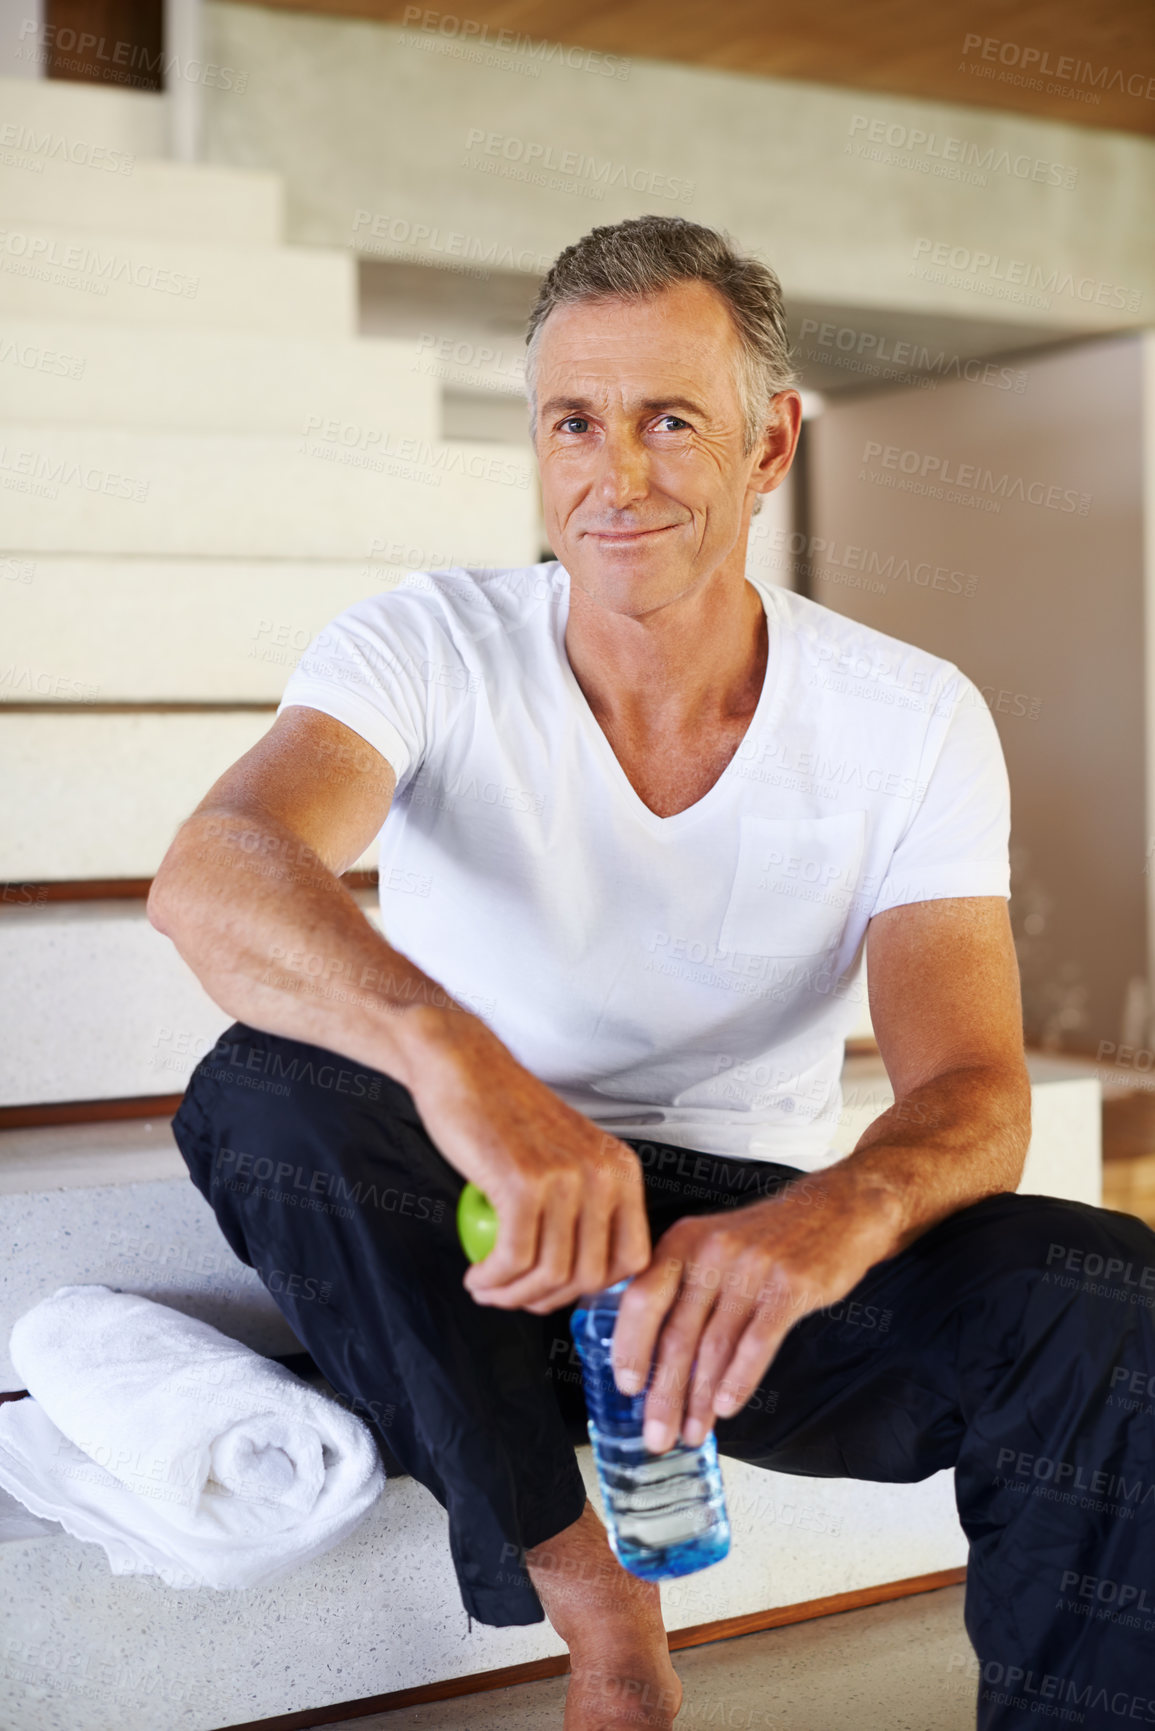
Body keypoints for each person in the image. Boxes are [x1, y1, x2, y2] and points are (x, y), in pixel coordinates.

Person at [151, 215, 1155, 1731]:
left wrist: (832, 1220)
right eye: (574, 422)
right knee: (265, 1095)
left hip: (726, 1273)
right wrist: (472, 1074)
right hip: (477, 1227)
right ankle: (602, 1619)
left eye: (671, 420)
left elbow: (971, 1090)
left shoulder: (912, 716)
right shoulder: (428, 642)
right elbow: (217, 869)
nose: (615, 476)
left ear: (767, 451)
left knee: (1107, 1302)